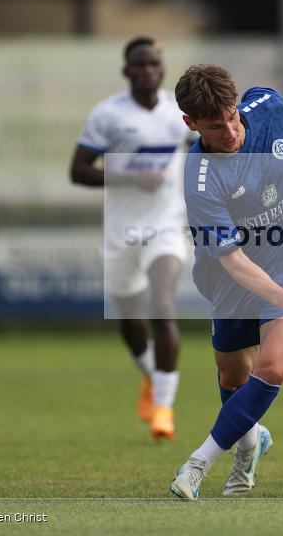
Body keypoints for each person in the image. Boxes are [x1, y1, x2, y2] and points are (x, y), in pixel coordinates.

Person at [168, 64, 283, 500]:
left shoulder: (270, 106)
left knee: (272, 367)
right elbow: (232, 260)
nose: (231, 131)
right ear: (191, 124)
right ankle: (251, 443)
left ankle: (198, 464)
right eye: (216, 127)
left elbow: (260, 101)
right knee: (234, 380)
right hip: (233, 280)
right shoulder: (199, 176)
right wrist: (275, 295)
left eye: (233, 117)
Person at [70, 37, 191, 440]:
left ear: (162, 68)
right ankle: (149, 374)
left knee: (163, 305)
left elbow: (205, 155)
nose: (146, 71)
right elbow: (78, 171)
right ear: (126, 71)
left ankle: (163, 409)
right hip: (122, 233)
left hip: (166, 226)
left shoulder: (179, 116)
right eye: (138, 65)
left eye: (153, 64)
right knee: (131, 318)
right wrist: (129, 177)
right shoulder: (107, 115)